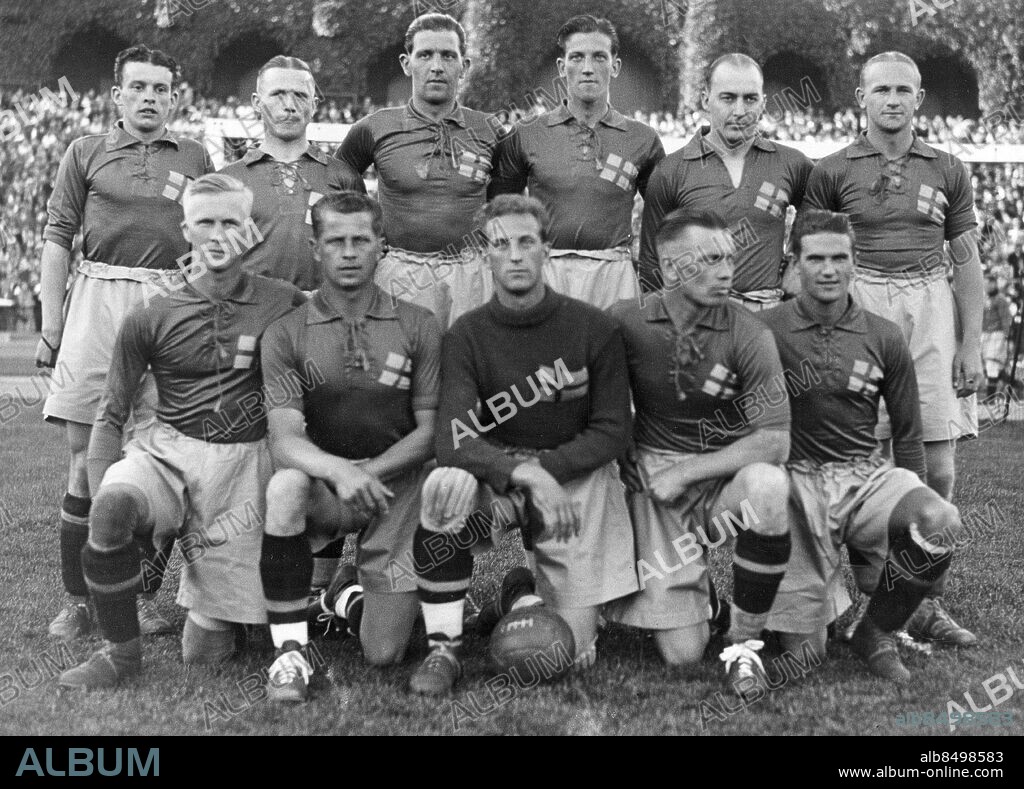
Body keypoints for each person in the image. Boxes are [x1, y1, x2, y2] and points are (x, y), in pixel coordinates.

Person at [57, 174, 304, 689]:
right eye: (206, 223)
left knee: (206, 654)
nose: (218, 235)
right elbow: (110, 415)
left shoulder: (286, 302)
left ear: (250, 231)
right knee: (110, 508)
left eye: (230, 223)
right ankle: (120, 655)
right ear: (186, 230)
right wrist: (108, 495)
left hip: (243, 462)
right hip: (166, 451)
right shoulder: (152, 314)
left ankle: (249, 612)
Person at [408, 194, 636, 695]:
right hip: (501, 480)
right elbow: (453, 438)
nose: (513, 255)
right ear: (484, 255)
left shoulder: (593, 327)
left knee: (569, 653)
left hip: (572, 481)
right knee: (445, 485)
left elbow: (614, 428)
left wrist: (548, 470)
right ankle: (443, 648)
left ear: (546, 250)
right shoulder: (466, 334)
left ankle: (519, 595)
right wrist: (524, 473)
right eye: (500, 244)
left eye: (525, 242)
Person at [37, 45, 213, 643]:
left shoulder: (195, 154)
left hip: (168, 303)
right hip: (97, 297)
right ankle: (78, 601)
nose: (149, 98)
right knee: (85, 456)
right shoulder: (83, 152)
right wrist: (51, 324)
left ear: (173, 96)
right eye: (138, 87)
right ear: (118, 95)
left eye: (160, 89)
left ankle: (139, 598)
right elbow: (58, 238)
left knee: (159, 454)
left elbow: (209, 238)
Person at [804, 51, 980, 646]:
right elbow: (812, 260)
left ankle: (920, 604)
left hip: (930, 303)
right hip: (861, 304)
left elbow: (966, 262)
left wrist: (972, 341)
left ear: (920, 98)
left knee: (937, 464)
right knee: (859, 462)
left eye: (904, 89)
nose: (893, 99)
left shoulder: (949, 167)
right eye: (881, 89)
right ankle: (858, 601)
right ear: (861, 98)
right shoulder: (830, 170)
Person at [762, 210, 963, 682]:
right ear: (794, 262)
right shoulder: (763, 328)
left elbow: (908, 433)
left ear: (855, 263)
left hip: (863, 474)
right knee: (805, 655)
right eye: (815, 258)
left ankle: (875, 632)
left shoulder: (884, 334)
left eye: (839, 257)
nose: (828, 270)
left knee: (940, 520)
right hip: (795, 483)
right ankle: (801, 603)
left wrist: (906, 522)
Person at [257, 192, 442, 702]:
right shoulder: (286, 331)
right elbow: (286, 438)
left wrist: (371, 472)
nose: (349, 251)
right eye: (335, 240)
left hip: (396, 487)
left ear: (382, 245)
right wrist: (341, 472)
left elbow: (430, 432)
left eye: (361, 239)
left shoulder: (419, 322)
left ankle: (344, 595)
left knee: (383, 652)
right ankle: (289, 654)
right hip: (325, 486)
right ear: (315, 247)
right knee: (285, 487)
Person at [605, 208, 792, 700]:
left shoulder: (750, 333)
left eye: (729, 258)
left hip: (715, 480)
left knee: (769, 487)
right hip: (652, 477)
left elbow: (774, 440)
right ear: (670, 269)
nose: (727, 271)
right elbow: (588, 403)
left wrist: (689, 471)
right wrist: (621, 441)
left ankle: (744, 644)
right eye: (710, 260)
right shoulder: (625, 320)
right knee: (682, 653)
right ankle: (529, 590)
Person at [336, 12, 502, 327]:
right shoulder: (375, 126)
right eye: (425, 55)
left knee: (465, 370)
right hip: (400, 273)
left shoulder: (489, 129)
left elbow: (505, 194)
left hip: (470, 274)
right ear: (406, 63)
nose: (437, 66)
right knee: (399, 370)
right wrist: (365, 230)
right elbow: (337, 178)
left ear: (463, 66)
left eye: (448, 56)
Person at [490, 14, 664, 308]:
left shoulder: (643, 139)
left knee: (610, 353)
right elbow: (500, 213)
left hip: (614, 274)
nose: (587, 69)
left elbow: (662, 215)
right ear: (562, 67)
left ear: (615, 66)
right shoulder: (526, 134)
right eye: (576, 58)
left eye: (599, 57)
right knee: (548, 355)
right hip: (546, 270)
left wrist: (651, 279)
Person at [639, 53, 813, 311]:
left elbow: (818, 220)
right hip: (697, 315)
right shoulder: (671, 170)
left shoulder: (793, 163)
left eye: (750, 99)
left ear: (763, 103)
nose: (740, 111)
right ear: (705, 100)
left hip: (767, 312)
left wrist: (795, 263)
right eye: (728, 98)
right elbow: (652, 260)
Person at [219, 56, 365, 292]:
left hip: (324, 315)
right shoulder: (227, 181)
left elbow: (361, 255)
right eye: (277, 94)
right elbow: (213, 264)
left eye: (300, 95)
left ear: (314, 105)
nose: (289, 105)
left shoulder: (344, 177)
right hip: (253, 317)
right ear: (257, 102)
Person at [981, 274, 1012, 397]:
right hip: (985, 335)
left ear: (994, 284)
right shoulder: (984, 299)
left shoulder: (1000, 299)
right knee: (988, 366)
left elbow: (1006, 319)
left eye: (988, 283)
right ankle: (1009, 381)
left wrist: (1006, 337)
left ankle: (991, 397)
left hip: (996, 335)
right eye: (985, 283)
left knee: (992, 364)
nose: (986, 286)